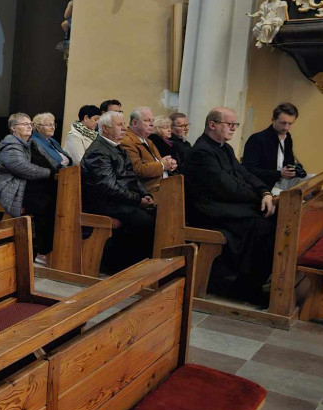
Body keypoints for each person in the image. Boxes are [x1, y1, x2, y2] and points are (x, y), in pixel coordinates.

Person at [183, 107, 277, 306]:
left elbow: (244, 175)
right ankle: (243, 286)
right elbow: (227, 188)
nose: (234, 129)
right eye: (230, 124)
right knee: (264, 225)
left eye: (236, 124)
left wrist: (265, 192)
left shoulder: (224, 148)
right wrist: (258, 198)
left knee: (272, 219)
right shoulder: (202, 152)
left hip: (224, 206)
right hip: (208, 211)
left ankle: (253, 282)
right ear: (212, 125)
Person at [80, 110, 156, 272]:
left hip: (117, 200)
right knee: (145, 222)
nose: (124, 128)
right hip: (102, 203)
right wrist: (137, 200)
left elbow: (132, 177)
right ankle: (124, 267)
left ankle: (135, 264)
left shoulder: (116, 147)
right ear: (105, 129)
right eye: (119, 125)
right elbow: (108, 187)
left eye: (124, 124)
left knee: (156, 214)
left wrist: (145, 194)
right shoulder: (98, 151)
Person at [0, 113, 56, 259]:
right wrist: (50, 173)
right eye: (24, 124)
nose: (29, 126)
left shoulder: (29, 143)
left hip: (23, 185)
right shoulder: (10, 146)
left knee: (54, 197)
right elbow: (24, 168)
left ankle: (47, 247)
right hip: (11, 188)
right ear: (13, 128)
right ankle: (43, 249)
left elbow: (48, 160)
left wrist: (56, 169)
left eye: (30, 124)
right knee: (45, 204)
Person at [241, 103, 306, 190]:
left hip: (284, 180)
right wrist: (279, 174)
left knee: (313, 180)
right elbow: (248, 169)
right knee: (291, 195)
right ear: (273, 120)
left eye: (290, 124)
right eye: (283, 123)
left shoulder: (288, 137)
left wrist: (294, 170)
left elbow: (289, 162)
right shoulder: (257, 139)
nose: (286, 128)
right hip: (265, 184)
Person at [119, 107, 177, 193]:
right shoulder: (127, 141)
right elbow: (137, 169)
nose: (152, 124)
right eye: (147, 120)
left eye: (153, 121)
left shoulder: (147, 140)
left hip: (163, 188)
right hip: (147, 192)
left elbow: (157, 161)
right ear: (134, 123)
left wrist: (169, 163)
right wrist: (163, 165)